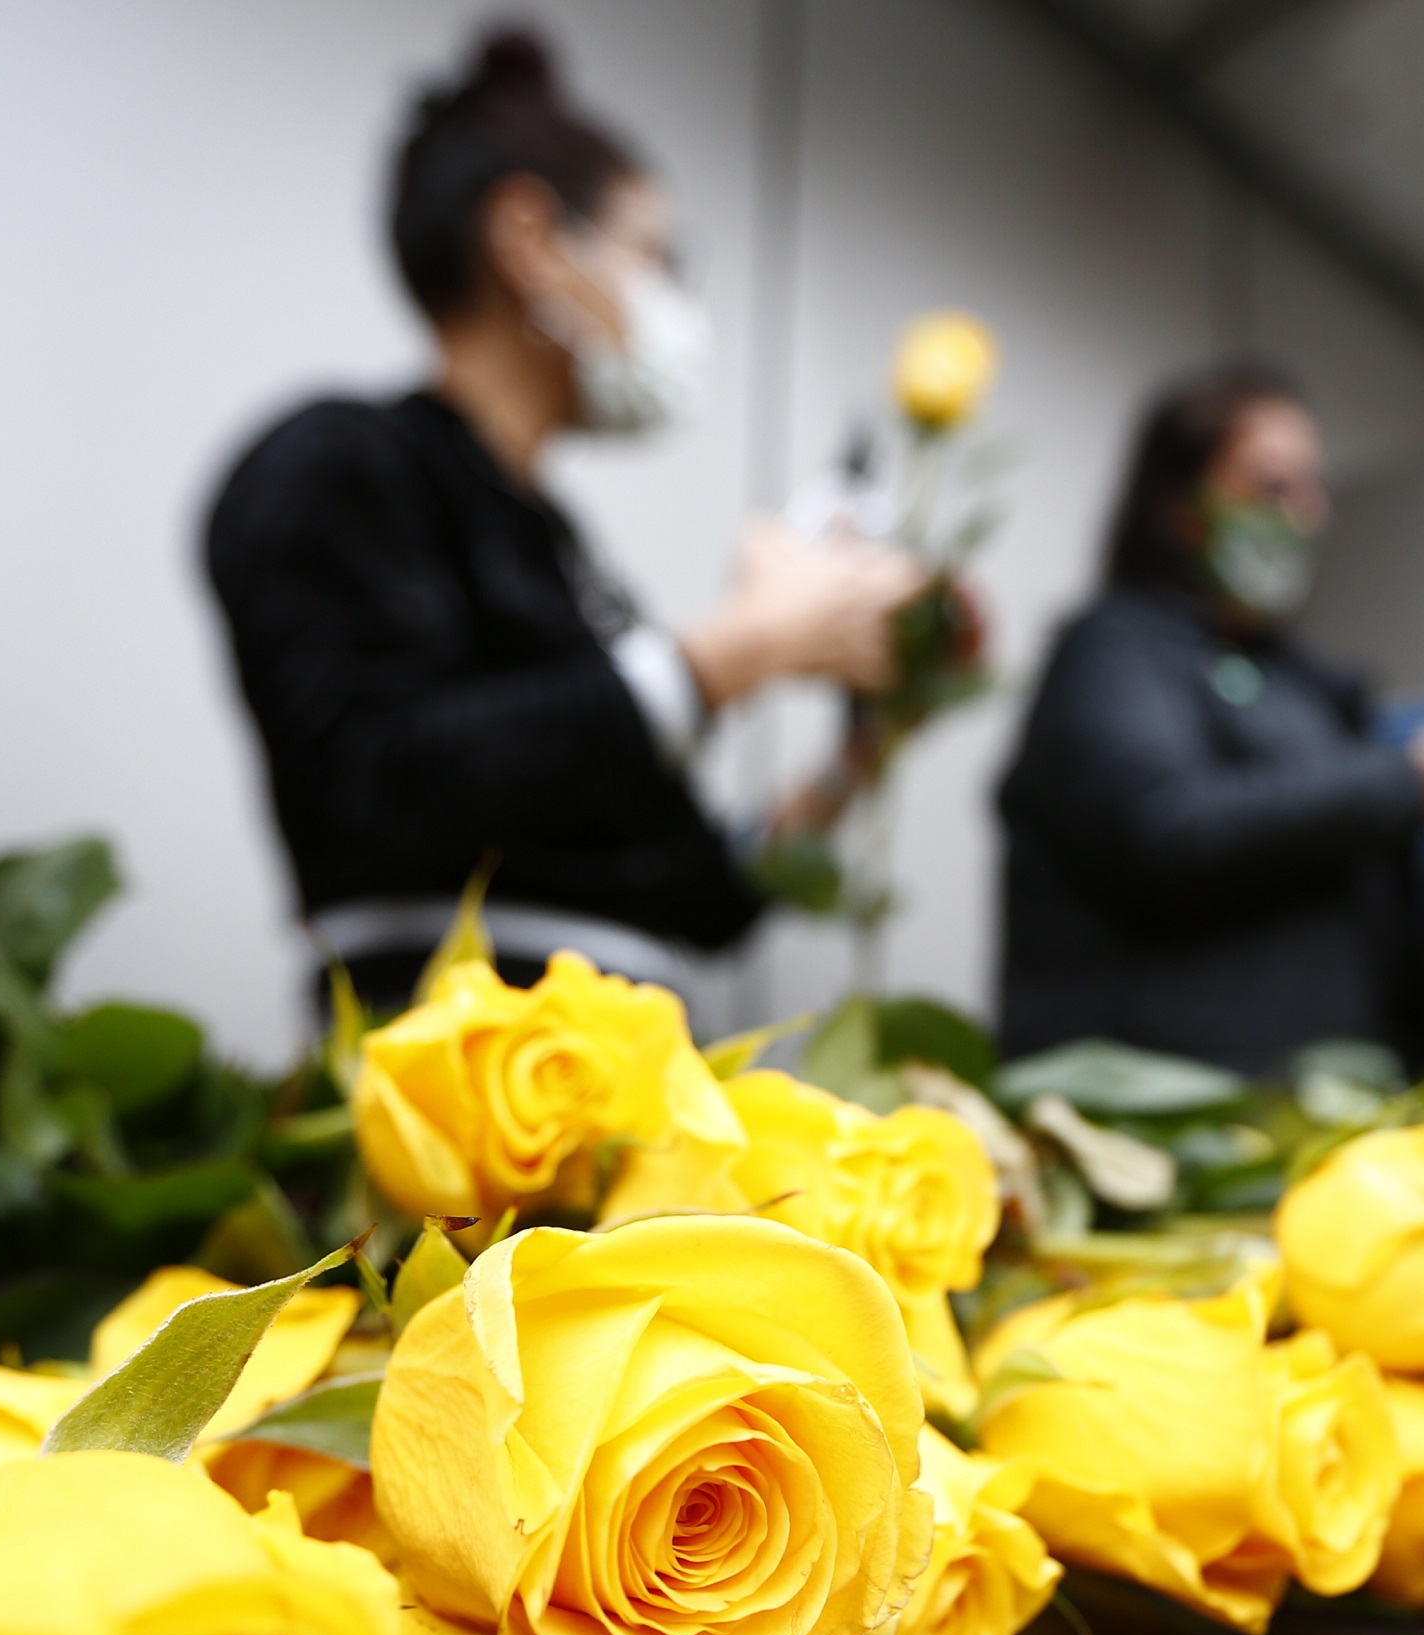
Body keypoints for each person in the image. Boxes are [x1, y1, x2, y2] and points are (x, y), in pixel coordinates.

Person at [204, 25, 921, 1010]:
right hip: (446, 1082)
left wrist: (865, 748)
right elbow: (373, 786)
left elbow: (703, 897)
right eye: (656, 256)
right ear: (530, 240)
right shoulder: (338, 463)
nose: (673, 304)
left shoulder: (557, 549)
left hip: (616, 1085)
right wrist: (734, 653)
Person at [997, 364, 1424, 1078]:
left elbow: (1396, 921)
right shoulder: (1115, 652)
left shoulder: (1318, 691)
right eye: (1270, 485)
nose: (1305, 512)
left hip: (1351, 1110)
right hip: (1182, 1118)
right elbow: (1162, 831)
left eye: (1310, 487)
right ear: (1177, 506)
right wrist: (1408, 780)